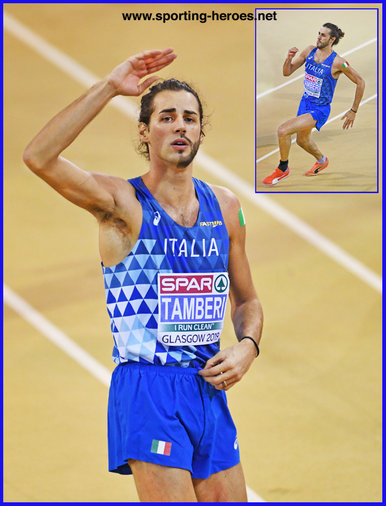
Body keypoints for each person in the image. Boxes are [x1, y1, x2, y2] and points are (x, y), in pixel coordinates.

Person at [23, 49, 263, 502]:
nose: (180, 126)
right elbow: (38, 156)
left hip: (206, 389)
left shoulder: (226, 207)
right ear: (144, 132)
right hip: (149, 390)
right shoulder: (122, 205)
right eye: (167, 117)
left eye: (190, 118)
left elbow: (247, 299)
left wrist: (248, 347)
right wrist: (111, 86)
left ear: (200, 131)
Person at [263, 22, 365, 185]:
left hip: (319, 109)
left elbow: (360, 82)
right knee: (303, 141)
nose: (319, 37)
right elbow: (287, 72)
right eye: (319, 33)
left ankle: (282, 169)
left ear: (331, 39)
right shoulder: (309, 51)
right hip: (305, 103)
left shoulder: (338, 62)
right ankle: (322, 160)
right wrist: (288, 58)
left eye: (323, 35)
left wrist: (353, 110)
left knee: (283, 130)